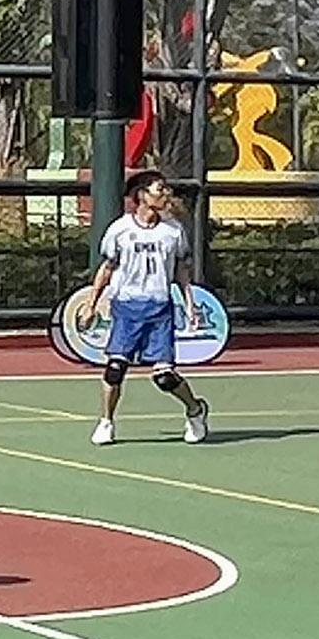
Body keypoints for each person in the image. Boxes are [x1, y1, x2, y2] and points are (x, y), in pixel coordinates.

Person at [77, 170, 209, 447]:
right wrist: (91, 303)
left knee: (164, 377)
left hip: (159, 308)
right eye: (159, 189)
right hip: (126, 308)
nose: (165, 194)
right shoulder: (120, 230)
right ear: (141, 195)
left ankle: (195, 409)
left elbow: (181, 270)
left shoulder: (173, 230)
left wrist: (190, 304)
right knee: (115, 369)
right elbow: (107, 268)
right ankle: (106, 421)